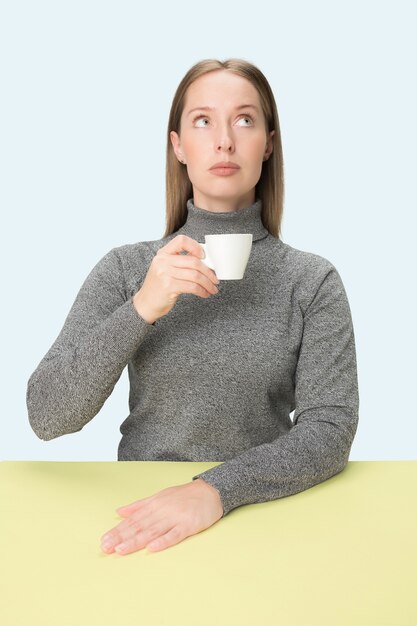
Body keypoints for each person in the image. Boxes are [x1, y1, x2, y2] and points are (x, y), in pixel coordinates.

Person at [26, 58, 359, 556]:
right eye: (203, 120)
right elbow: (47, 415)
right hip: (140, 518)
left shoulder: (311, 281)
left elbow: (330, 430)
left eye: (244, 120)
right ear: (178, 145)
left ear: (268, 142)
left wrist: (215, 490)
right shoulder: (127, 269)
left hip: (266, 517)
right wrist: (141, 308)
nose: (224, 140)